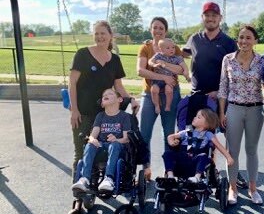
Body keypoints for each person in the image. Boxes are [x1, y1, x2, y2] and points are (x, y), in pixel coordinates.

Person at [182, 2, 247, 189]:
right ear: (202, 17)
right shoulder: (194, 39)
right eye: (207, 15)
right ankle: (203, 170)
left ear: (220, 18)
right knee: (199, 136)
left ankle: (234, 172)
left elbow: (235, 70)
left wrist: (219, 91)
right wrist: (160, 47)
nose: (210, 19)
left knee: (229, 136)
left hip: (221, 96)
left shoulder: (227, 42)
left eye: (214, 16)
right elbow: (183, 53)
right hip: (198, 96)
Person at [69, 20, 139, 180]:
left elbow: (118, 86)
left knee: (102, 151)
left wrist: (132, 99)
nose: (99, 37)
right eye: (96, 34)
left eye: (103, 33)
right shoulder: (82, 54)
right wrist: (74, 109)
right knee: (81, 152)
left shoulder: (114, 59)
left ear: (110, 36)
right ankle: (79, 196)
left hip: (106, 115)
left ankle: (99, 183)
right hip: (83, 112)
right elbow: (72, 83)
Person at [218, 25, 264, 205]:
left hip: (255, 109)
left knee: (251, 150)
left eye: (248, 38)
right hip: (234, 108)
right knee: (233, 151)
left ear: (255, 41)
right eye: (241, 37)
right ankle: (233, 188)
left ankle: (253, 189)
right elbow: (223, 87)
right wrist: (222, 112)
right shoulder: (228, 60)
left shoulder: (261, 60)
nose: (244, 41)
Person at [137, 17, 183, 166]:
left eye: (161, 28)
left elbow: (181, 69)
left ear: (166, 31)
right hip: (150, 93)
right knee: (144, 133)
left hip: (171, 93)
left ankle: (168, 169)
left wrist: (165, 65)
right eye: (155, 27)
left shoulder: (172, 47)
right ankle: (146, 167)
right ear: (150, 29)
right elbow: (140, 70)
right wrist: (163, 76)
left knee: (169, 133)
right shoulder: (146, 48)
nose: (157, 31)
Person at [71, 88, 131, 192]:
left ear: (119, 100)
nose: (106, 95)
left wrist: (116, 139)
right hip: (102, 145)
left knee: (114, 144)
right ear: (102, 104)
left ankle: (108, 178)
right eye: (104, 95)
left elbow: (126, 139)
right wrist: (92, 139)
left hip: (117, 147)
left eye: (110, 93)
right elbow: (93, 135)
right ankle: (84, 179)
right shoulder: (100, 116)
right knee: (90, 144)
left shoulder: (124, 116)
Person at [163, 108, 234, 182]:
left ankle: (196, 178)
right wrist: (171, 142)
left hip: (195, 161)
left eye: (198, 117)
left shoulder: (208, 134)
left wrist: (228, 157)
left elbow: (218, 145)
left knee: (203, 156)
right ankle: (170, 176)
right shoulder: (187, 132)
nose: (194, 118)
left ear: (207, 123)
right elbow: (170, 136)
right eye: (196, 116)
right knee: (168, 153)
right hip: (182, 159)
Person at [148, 38, 190, 114]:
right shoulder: (158, 56)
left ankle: (168, 105)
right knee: (154, 90)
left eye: (173, 47)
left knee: (169, 90)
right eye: (168, 48)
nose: (171, 49)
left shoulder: (177, 58)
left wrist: (186, 73)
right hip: (158, 80)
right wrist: (154, 64)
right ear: (161, 49)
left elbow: (184, 66)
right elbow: (150, 61)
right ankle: (157, 105)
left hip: (170, 80)